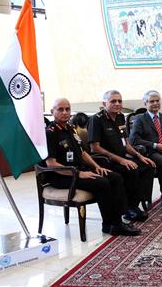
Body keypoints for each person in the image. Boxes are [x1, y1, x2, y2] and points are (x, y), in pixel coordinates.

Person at [45, 98, 140, 236]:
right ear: (52, 112)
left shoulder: (71, 129)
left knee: (115, 177)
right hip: (61, 176)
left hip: (78, 171)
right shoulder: (50, 133)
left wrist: (96, 167)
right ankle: (109, 224)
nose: (65, 112)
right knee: (102, 183)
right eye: (60, 109)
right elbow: (51, 164)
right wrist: (78, 174)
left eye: (67, 109)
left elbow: (83, 153)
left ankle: (118, 220)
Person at [87, 90, 155, 222]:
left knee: (148, 166)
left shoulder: (120, 117)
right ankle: (128, 208)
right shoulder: (96, 120)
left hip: (121, 158)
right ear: (104, 103)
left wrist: (139, 156)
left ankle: (136, 203)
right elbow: (94, 147)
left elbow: (126, 143)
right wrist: (121, 160)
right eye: (113, 101)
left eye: (119, 101)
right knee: (132, 170)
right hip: (105, 161)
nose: (117, 104)